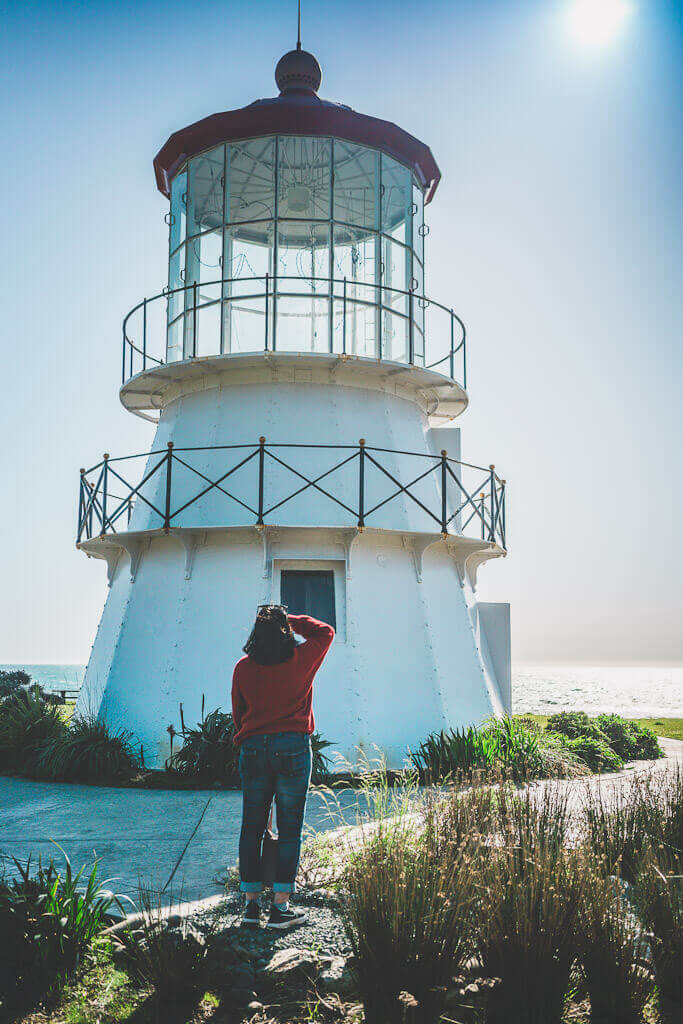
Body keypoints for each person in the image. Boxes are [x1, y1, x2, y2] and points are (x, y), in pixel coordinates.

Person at [232, 605, 335, 929]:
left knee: (252, 826)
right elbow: (325, 631)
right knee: (289, 829)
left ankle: (251, 907)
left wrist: (267, 621)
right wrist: (286, 619)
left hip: (253, 748)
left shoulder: (243, 668)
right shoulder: (301, 660)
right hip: (291, 747)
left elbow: (239, 712)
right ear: (284, 630)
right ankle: (280, 907)